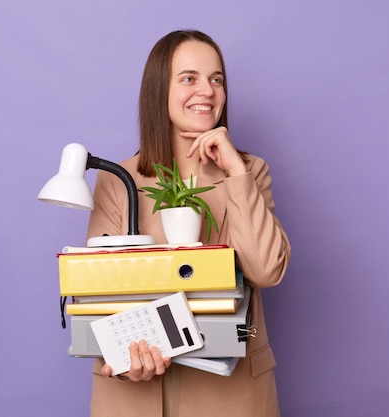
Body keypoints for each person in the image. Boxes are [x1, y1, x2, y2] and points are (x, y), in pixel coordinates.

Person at [85, 30, 291, 417]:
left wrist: (235, 173)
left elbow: (265, 270)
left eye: (217, 79)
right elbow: (99, 298)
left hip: (231, 398)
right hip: (133, 401)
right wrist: (129, 358)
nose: (208, 91)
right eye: (189, 78)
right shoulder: (117, 179)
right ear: (158, 91)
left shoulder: (249, 172)